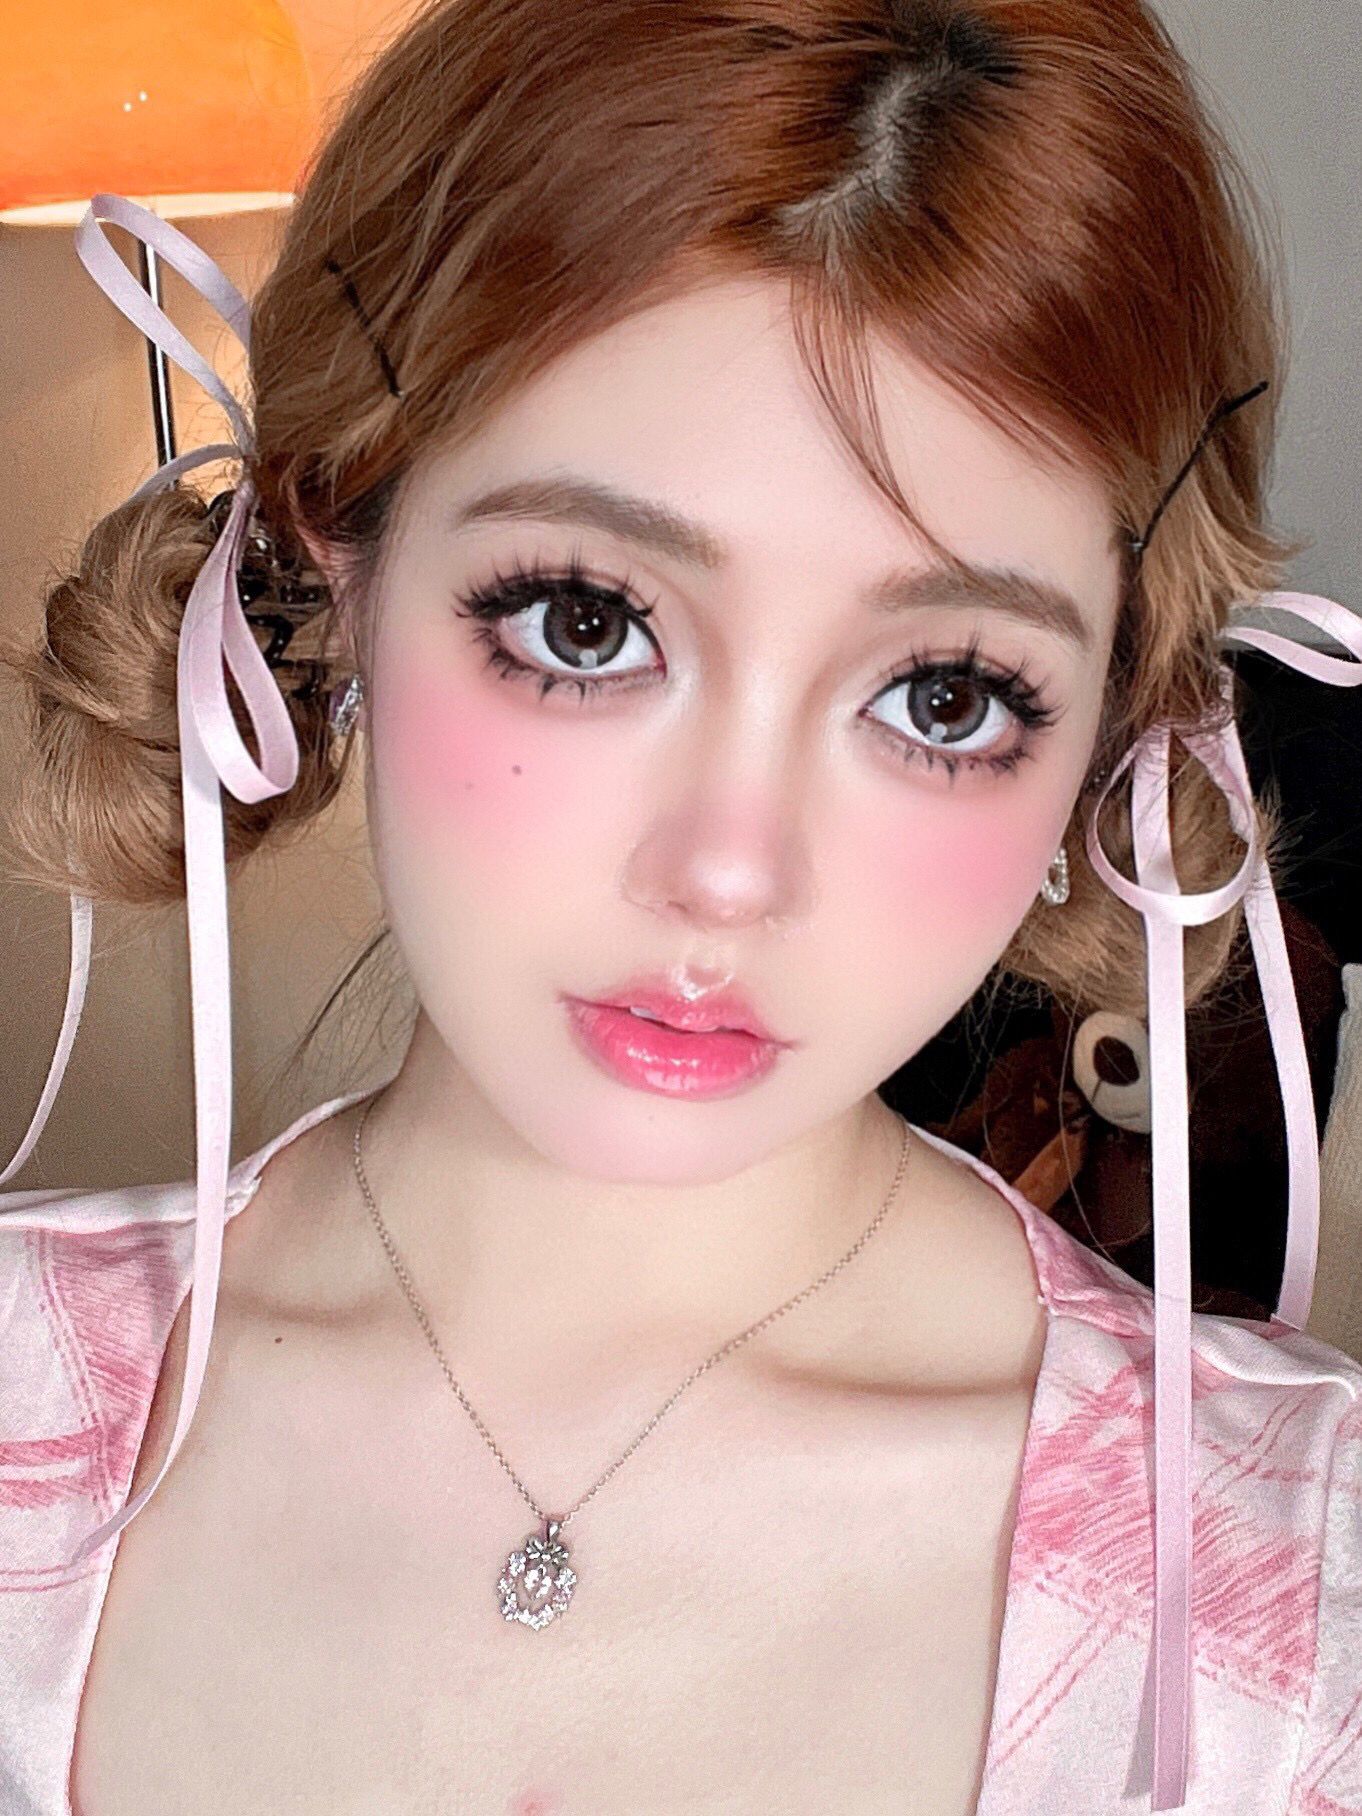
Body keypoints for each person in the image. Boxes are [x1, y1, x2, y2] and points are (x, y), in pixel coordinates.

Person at [1, 2, 1359, 1812]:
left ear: (1109, 729)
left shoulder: (1307, 1607)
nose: (728, 869)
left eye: (943, 697)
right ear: (335, 554)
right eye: (586, 625)